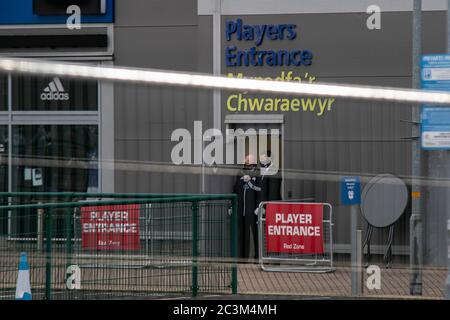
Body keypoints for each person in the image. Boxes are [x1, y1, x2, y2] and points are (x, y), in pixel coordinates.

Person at [233, 154, 261, 260]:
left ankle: (257, 257)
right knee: (242, 234)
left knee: (255, 234)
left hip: (253, 210)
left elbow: (259, 190)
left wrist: (250, 181)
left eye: (250, 161)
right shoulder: (240, 173)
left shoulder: (258, 174)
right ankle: (242, 257)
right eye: (246, 161)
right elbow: (235, 190)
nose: (248, 163)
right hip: (242, 210)